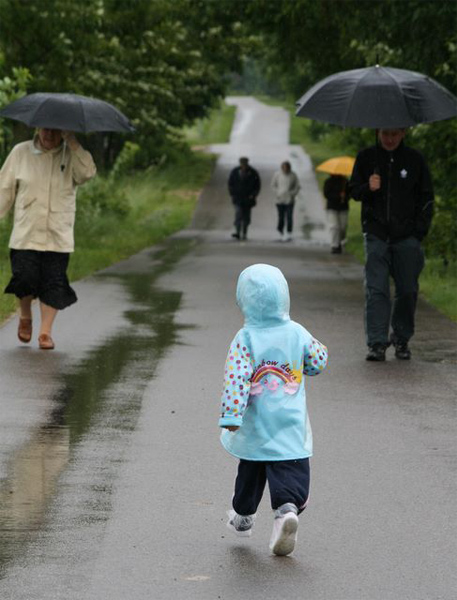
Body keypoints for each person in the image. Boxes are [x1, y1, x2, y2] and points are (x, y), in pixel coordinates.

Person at [218, 263, 328, 556]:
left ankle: (242, 516)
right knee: (289, 469)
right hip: (290, 425)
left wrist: (232, 415)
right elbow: (317, 361)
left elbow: (236, 378)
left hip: (256, 426)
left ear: (244, 301)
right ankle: (286, 514)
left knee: (251, 470)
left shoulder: (245, 338)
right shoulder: (296, 332)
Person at [0, 127, 96, 350]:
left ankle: (45, 333)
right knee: (24, 278)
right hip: (26, 232)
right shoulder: (20, 152)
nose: (49, 135)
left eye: (55, 131)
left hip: (58, 233)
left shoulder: (70, 154)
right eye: (45, 129)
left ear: (62, 133)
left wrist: (72, 141)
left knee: (54, 283)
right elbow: (3, 188)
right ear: (37, 128)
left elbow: (88, 173)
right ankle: (25, 316)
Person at [349, 128, 434, 362]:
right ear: (378, 131)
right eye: (385, 133)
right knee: (376, 289)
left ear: (404, 133)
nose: (389, 139)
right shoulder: (367, 157)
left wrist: (418, 232)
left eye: (395, 134)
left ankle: (402, 338)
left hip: (407, 237)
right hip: (376, 234)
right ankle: (376, 343)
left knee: (407, 290)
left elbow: (426, 197)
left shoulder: (415, 160)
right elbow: (353, 191)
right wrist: (368, 187)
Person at [228, 157, 261, 240]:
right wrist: (232, 194)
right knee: (238, 214)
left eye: (245, 163)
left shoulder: (253, 173)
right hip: (238, 198)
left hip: (248, 199)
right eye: (242, 163)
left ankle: (244, 232)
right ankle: (238, 232)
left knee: (246, 216)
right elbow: (230, 184)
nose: (243, 165)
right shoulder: (235, 172)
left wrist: (253, 195)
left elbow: (257, 186)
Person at [271, 160, 300, 241]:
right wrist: (277, 192)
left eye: (287, 168)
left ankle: (289, 232)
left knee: (289, 216)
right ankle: (280, 230)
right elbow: (273, 185)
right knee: (281, 216)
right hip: (279, 199)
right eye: (284, 168)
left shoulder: (293, 175)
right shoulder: (277, 175)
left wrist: (292, 193)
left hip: (290, 200)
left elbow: (297, 186)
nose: (285, 169)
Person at [323, 174, 349, 253]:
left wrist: (345, 196)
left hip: (343, 208)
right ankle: (335, 245)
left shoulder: (345, 182)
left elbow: (350, 194)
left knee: (342, 227)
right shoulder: (329, 182)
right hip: (332, 207)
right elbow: (326, 194)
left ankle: (340, 241)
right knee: (334, 226)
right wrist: (338, 196)